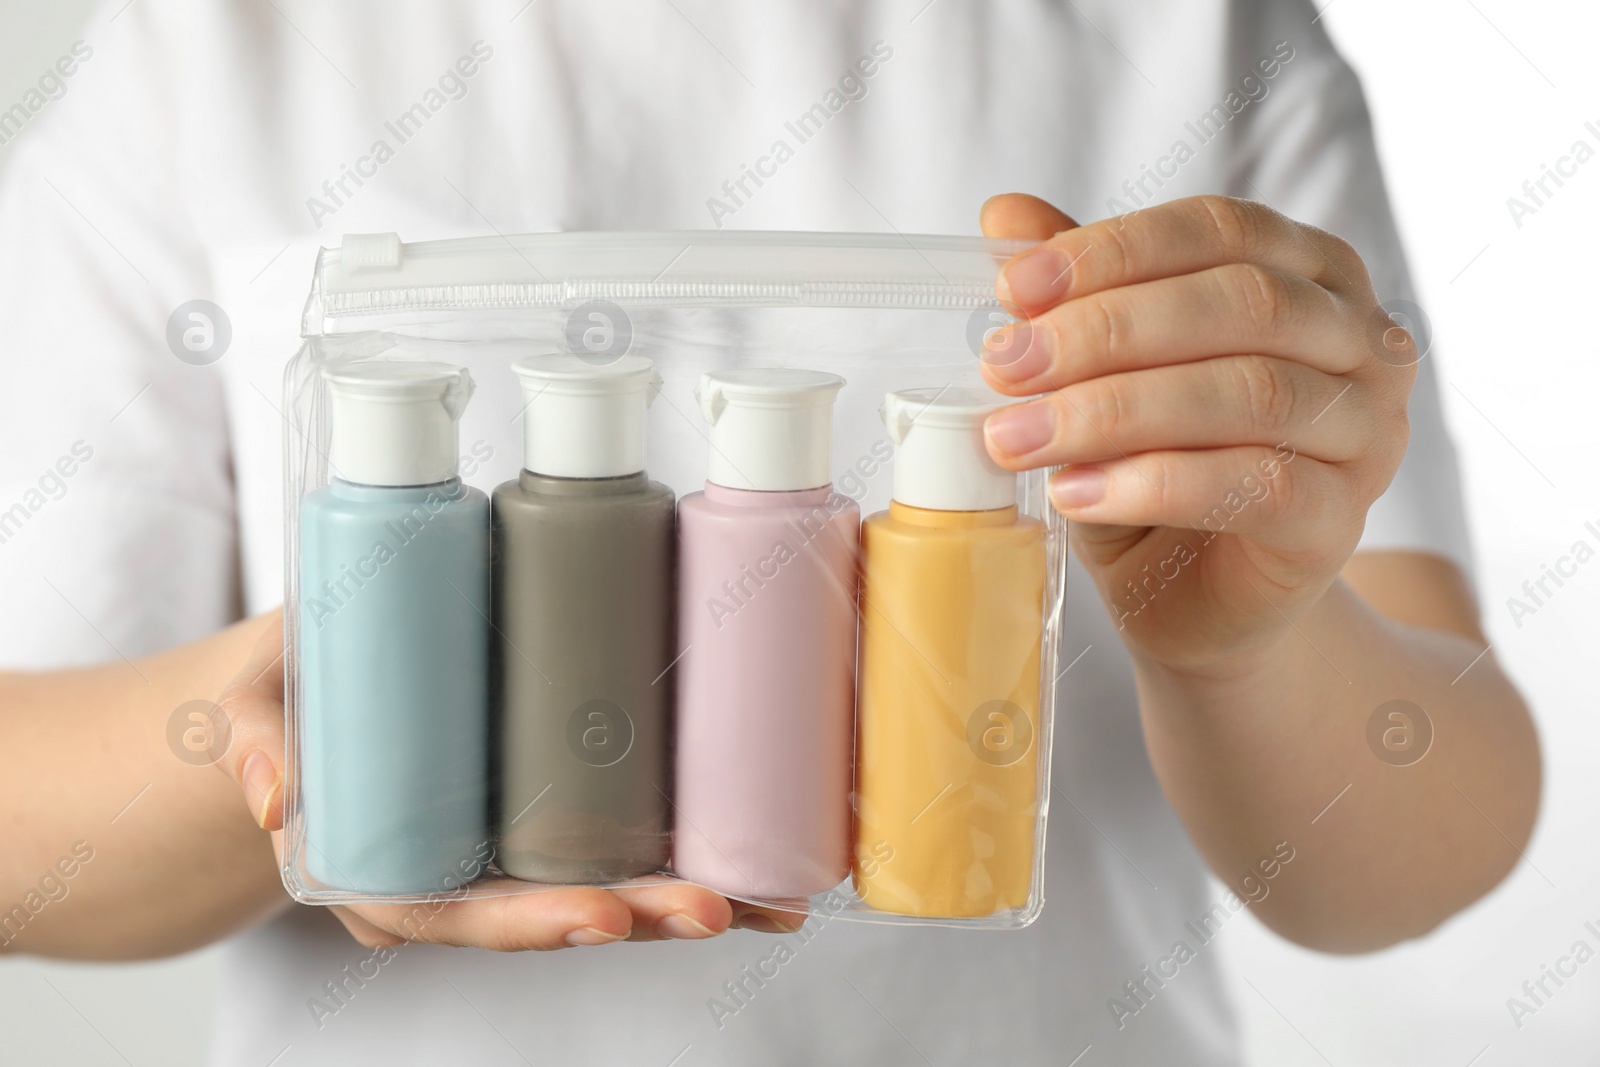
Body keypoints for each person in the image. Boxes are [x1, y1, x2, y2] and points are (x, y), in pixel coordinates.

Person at [0, 1, 1539, 1063]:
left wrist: (1248, 644)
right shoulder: (205, 47)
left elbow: (1425, 841)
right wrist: (315, 754)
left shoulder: (1199, 35)